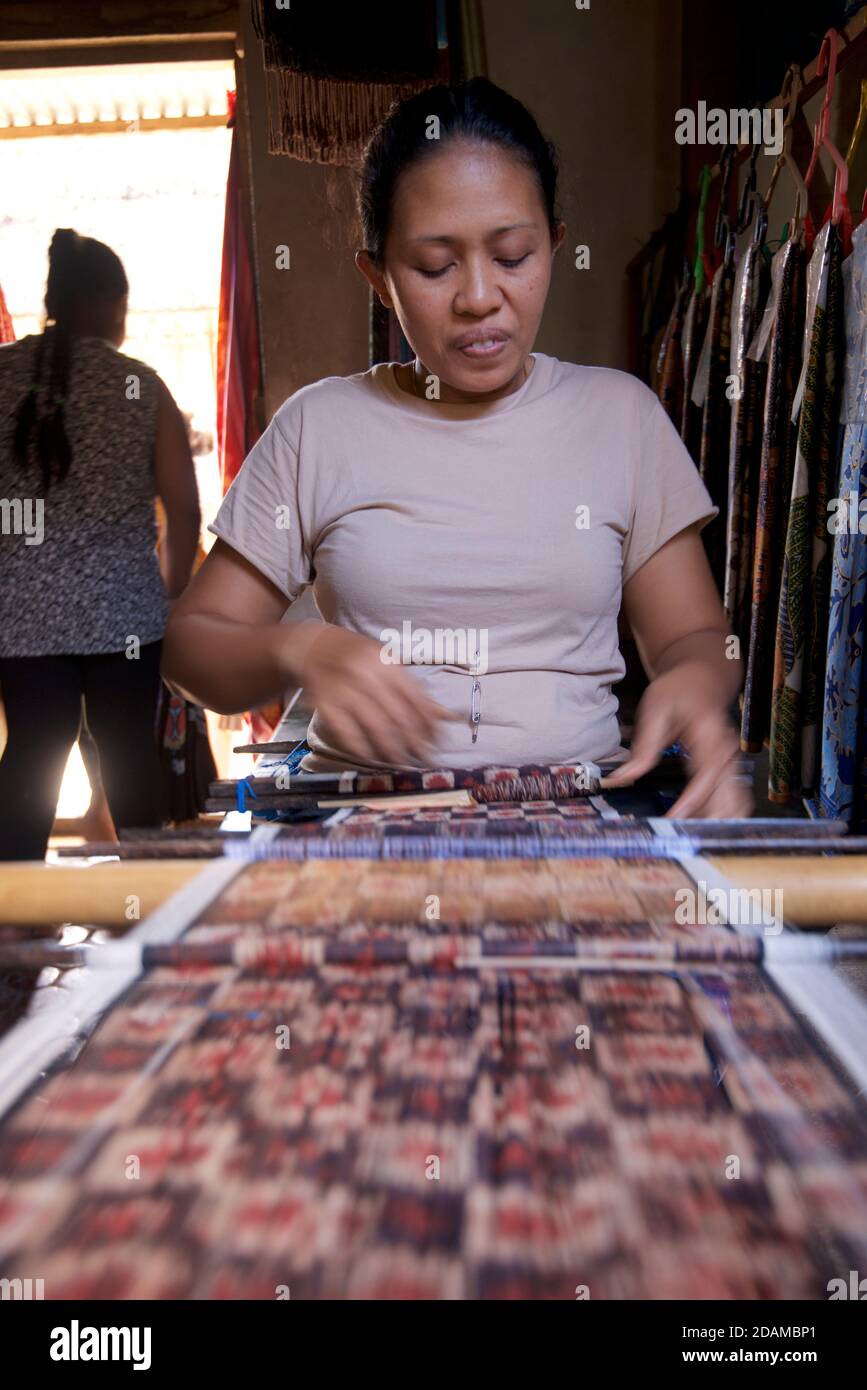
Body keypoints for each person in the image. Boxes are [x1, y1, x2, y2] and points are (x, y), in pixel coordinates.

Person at [163, 79, 749, 818]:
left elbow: (694, 634)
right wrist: (297, 651)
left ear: (555, 246)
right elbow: (190, 646)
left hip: (576, 821)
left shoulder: (619, 416)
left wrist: (693, 682)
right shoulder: (320, 427)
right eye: (435, 267)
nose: (478, 296)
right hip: (369, 826)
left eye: (512, 256)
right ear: (376, 276)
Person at [0, 229, 201, 859]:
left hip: (24, 623)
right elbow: (186, 511)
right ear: (112, 304)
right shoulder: (141, 387)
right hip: (128, 624)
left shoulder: (2, 375)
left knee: (32, 754)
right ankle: (145, 905)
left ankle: (11, 928)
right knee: (129, 763)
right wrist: (170, 599)